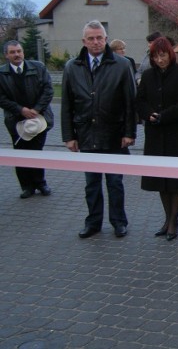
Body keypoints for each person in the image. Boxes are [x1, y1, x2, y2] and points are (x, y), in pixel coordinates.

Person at [60, 20, 137, 239]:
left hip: (114, 135)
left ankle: (119, 222)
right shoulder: (72, 67)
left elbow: (130, 103)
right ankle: (93, 222)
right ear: (84, 41)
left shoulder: (121, 65)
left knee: (115, 183)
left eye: (100, 38)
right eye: (91, 38)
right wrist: (69, 137)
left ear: (106, 39)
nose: (96, 42)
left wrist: (129, 133)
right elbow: (67, 105)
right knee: (91, 184)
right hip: (86, 135)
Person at [136, 37, 178, 241]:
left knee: (176, 180)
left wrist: (165, 115)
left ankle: (174, 221)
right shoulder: (147, 75)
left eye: (162, 55)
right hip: (155, 134)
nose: (160, 60)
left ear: (169, 54)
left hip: (176, 133)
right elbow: (140, 100)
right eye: (155, 56)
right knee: (160, 180)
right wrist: (149, 114)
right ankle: (166, 218)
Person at [0, 40, 54, 198]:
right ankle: (26, 187)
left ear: (23, 52)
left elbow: (48, 90)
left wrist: (36, 109)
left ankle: (41, 183)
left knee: (37, 151)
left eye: (19, 51)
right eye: (12, 52)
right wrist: (21, 110)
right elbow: (1, 98)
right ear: (6, 55)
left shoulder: (38, 67)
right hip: (15, 120)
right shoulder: (2, 73)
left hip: (39, 119)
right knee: (21, 152)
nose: (17, 54)